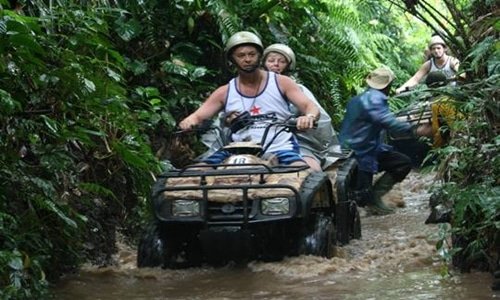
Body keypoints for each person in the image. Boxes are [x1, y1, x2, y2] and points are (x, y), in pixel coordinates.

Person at [179, 31, 319, 166]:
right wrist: (189, 122)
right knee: (197, 172)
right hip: (236, 150)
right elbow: (197, 116)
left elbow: (309, 106)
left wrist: (309, 117)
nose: (247, 59)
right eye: (241, 55)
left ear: (259, 56)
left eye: (252, 54)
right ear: (232, 59)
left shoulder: (281, 82)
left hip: (280, 148)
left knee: (300, 173)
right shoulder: (225, 91)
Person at [339, 67, 418, 214]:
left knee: (402, 162)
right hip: (361, 153)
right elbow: (387, 121)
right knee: (360, 198)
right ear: (388, 85)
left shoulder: (358, 99)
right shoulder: (375, 99)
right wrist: (414, 128)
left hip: (361, 150)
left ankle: (373, 197)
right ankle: (372, 198)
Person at [261, 43, 341, 171]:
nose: (275, 64)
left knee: (310, 171)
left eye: (281, 61)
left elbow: (318, 115)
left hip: (296, 141)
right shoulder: (251, 89)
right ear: (264, 63)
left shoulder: (298, 90)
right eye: (271, 60)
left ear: (288, 66)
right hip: (257, 142)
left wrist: (307, 119)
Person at [395, 35, 460, 94]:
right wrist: (401, 89)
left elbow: (463, 74)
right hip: (434, 96)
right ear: (431, 51)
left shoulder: (452, 61)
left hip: (452, 95)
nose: (436, 51)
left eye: (438, 48)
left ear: (444, 49)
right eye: (433, 49)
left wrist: (455, 77)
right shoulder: (429, 64)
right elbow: (415, 79)